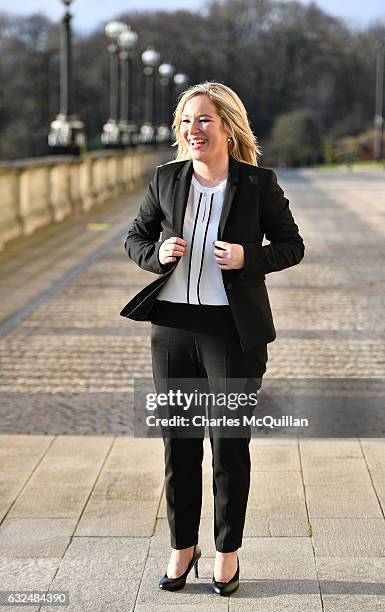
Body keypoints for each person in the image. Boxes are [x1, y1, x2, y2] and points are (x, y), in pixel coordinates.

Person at [120, 81, 305, 595]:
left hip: (232, 331)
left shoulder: (257, 183)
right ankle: (183, 547)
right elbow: (135, 236)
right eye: (185, 121)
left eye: (203, 120)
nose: (193, 130)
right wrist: (157, 257)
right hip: (173, 328)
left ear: (226, 124)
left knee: (229, 446)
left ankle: (227, 551)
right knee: (178, 444)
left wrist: (251, 259)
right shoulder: (166, 179)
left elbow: (292, 245)